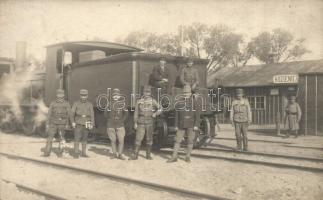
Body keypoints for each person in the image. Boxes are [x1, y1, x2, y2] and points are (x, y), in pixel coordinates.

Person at [167, 85, 199, 163]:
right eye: (184, 92)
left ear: (190, 93)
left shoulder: (194, 102)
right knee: (177, 141)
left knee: (190, 141)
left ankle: (187, 157)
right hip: (181, 125)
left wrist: (196, 125)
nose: (186, 94)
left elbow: (197, 115)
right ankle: (174, 157)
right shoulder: (179, 102)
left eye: (187, 92)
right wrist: (176, 126)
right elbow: (176, 115)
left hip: (191, 125)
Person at [130, 86, 161, 160]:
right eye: (145, 92)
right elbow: (136, 112)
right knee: (138, 139)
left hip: (150, 122)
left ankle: (148, 155)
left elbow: (160, 109)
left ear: (150, 93)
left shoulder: (153, 101)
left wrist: (155, 114)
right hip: (141, 122)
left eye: (148, 92)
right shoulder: (139, 101)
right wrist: (135, 123)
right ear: (143, 93)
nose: (146, 94)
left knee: (149, 139)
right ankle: (135, 155)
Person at [43, 89, 71, 157]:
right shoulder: (53, 103)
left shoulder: (66, 103)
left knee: (61, 138)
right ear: (57, 95)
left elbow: (69, 115)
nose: (60, 96)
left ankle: (60, 153)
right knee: (50, 137)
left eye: (61, 95)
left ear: (63, 95)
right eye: (59, 95)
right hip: (53, 123)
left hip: (62, 123)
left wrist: (67, 124)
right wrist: (47, 123)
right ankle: (47, 152)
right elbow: (49, 114)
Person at [70, 89, 95, 158]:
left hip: (86, 123)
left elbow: (92, 115)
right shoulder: (76, 103)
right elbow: (72, 114)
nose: (83, 97)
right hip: (78, 123)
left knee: (84, 139)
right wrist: (72, 122)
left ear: (87, 96)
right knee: (77, 139)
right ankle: (76, 153)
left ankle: (83, 153)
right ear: (80, 96)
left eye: (85, 96)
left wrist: (92, 124)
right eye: (82, 95)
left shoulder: (89, 104)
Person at [104, 88, 128, 160]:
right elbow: (105, 114)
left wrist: (122, 120)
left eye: (117, 95)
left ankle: (120, 154)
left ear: (119, 96)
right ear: (112, 96)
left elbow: (126, 114)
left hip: (120, 125)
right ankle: (114, 154)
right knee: (113, 140)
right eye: (114, 95)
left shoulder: (122, 104)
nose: (115, 97)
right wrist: (110, 119)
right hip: (111, 125)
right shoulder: (109, 104)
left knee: (121, 140)